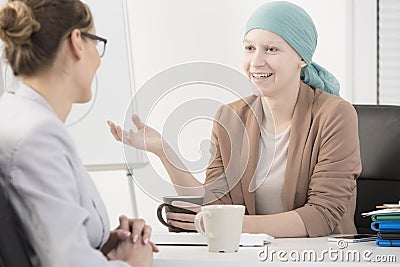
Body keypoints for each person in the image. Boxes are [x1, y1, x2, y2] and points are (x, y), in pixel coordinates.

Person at [108, 1, 361, 238]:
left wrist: (230, 224)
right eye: (249, 48)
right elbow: (215, 203)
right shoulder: (230, 118)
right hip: (252, 256)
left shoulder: (335, 115)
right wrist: (164, 152)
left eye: (271, 49)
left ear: (302, 59)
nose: (256, 61)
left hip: (319, 256)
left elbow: (322, 215)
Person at [0, 0, 157, 266]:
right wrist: (132, 263)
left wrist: (104, 243)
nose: (98, 59)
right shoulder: (40, 135)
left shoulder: (14, 114)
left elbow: (41, 236)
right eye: (96, 43)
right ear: (77, 42)